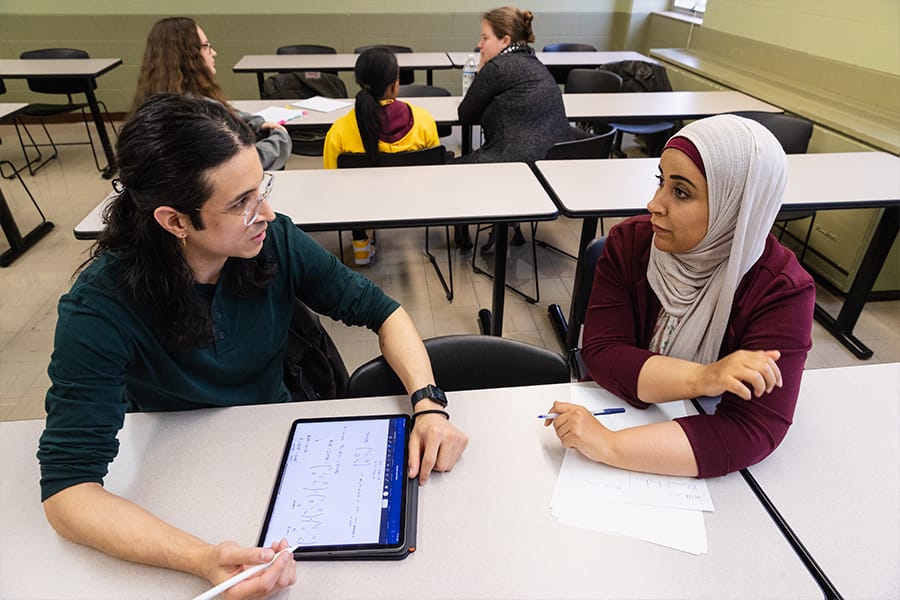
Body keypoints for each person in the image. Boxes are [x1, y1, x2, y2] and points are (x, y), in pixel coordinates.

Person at [38, 93, 468, 597]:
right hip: (181, 465)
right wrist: (200, 559)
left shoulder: (274, 241)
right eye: (239, 203)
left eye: (260, 187)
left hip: (281, 442)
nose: (265, 211)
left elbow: (385, 313)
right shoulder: (100, 309)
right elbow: (68, 491)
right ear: (174, 221)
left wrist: (428, 402)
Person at [545, 114, 816, 478]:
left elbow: (756, 427)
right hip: (620, 407)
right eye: (661, 181)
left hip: (674, 429)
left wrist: (611, 446)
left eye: (681, 192)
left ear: (735, 207)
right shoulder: (632, 243)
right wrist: (705, 377)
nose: (654, 204)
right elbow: (603, 354)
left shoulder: (782, 289)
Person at [456, 6, 580, 252]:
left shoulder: (498, 68)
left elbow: (465, 114)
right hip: (552, 170)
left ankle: (462, 238)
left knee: (448, 169)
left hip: (514, 169)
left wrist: (481, 72)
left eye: (485, 37)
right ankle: (504, 222)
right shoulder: (534, 64)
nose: (479, 44)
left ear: (505, 40)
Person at [323, 47, 443, 263]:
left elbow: (331, 183)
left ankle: (360, 244)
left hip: (362, 206)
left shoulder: (338, 131)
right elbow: (434, 176)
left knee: (352, 190)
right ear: (395, 84)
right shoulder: (424, 121)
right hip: (414, 204)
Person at [132, 16, 292, 171]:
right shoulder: (200, 113)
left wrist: (257, 123)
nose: (213, 52)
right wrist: (280, 137)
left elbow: (229, 115)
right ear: (189, 54)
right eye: (207, 46)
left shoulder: (154, 102)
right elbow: (245, 165)